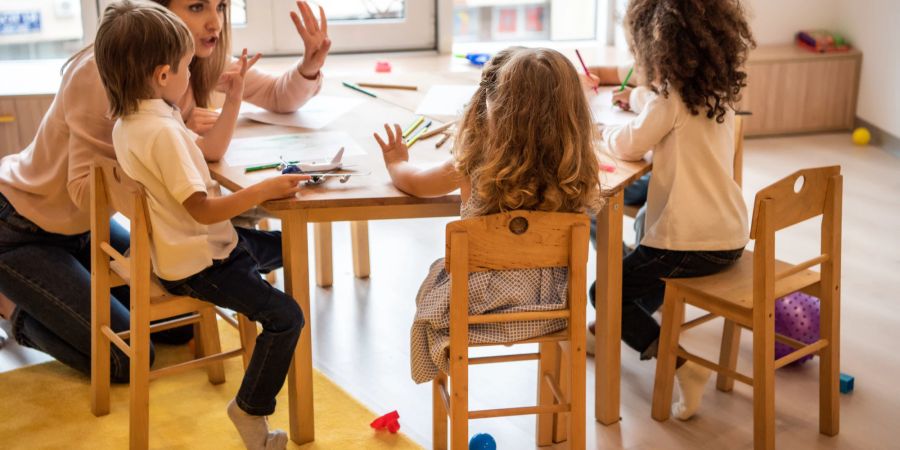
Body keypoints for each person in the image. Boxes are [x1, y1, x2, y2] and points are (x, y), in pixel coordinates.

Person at [0, 0, 329, 381]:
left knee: (183, 321)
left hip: (84, 230)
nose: (214, 22)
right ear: (161, 10)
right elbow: (83, 192)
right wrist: (160, 153)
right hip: (22, 226)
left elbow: (263, 105)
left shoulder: (181, 61)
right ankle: (10, 307)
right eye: (196, 7)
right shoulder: (106, 72)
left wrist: (305, 66)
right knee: (123, 360)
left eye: (221, 6)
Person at [95, 2, 308, 448]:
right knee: (286, 317)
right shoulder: (162, 132)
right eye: (187, 66)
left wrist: (233, 96)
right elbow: (202, 210)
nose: (193, 74)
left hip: (200, 247)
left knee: (291, 249)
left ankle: (263, 389)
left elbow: (208, 149)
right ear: (162, 75)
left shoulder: (136, 120)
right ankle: (250, 410)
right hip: (201, 264)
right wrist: (262, 191)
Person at [373, 47, 604, 383]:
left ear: (493, 107)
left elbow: (416, 184)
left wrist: (396, 161)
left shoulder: (473, 165)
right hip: (554, 310)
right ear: (574, 113)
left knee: (432, 285)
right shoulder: (577, 170)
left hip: (477, 310)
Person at [587, 0, 755, 420]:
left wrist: (599, 129)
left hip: (687, 245)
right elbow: (666, 108)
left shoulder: (668, 99)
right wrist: (640, 97)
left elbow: (627, 144)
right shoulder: (716, 95)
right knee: (641, 250)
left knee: (604, 292)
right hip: (729, 238)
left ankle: (681, 365)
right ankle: (617, 328)